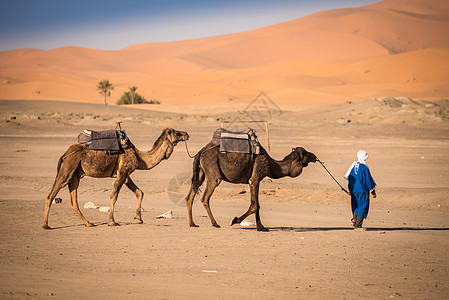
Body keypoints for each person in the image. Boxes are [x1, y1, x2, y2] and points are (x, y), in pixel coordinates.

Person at [344, 150, 377, 231]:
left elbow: (350, 178)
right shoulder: (364, 167)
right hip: (362, 190)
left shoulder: (354, 166)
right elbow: (368, 180)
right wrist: (373, 191)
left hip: (354, 190)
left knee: (356, 205)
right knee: (362, 206)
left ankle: (354, 220)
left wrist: (350, 189)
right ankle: (358, 226)